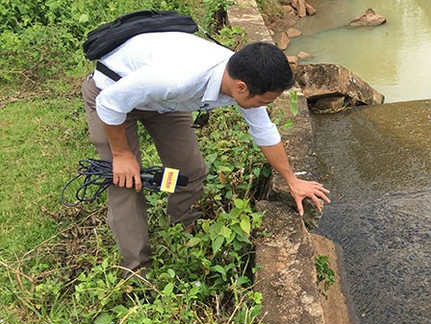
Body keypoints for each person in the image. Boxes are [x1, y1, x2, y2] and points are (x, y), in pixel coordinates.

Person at [81, 31, 330, 277]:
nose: (264, 107)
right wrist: (123, 155)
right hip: (112, 94)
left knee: (189, 172)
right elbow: (110, 103)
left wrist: (292, 180)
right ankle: (137, 270)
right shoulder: (175, 79)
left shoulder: (242, 77)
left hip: (164, 103)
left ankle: (181, 232)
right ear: (241, 88)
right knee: (126, 182)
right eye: (264, 102)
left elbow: (264, 131)